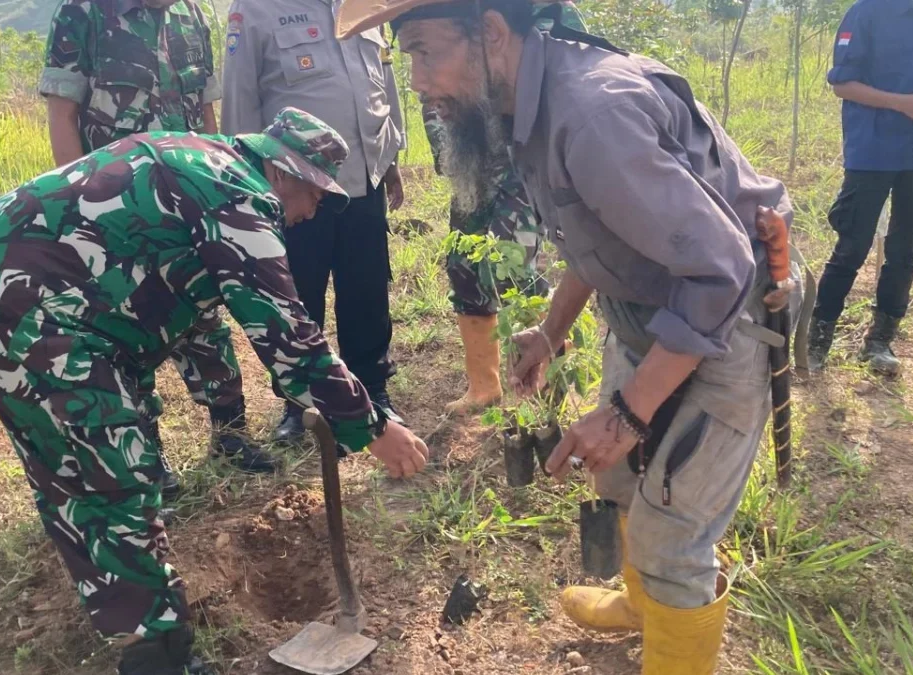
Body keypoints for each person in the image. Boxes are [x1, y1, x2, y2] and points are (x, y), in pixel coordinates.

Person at [336, 1, 798, 672]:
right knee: (621, 477)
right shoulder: (527, 104)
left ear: (491, 34)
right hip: (648, 305)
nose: (420, 82)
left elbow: (720, 270)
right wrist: (553, 333)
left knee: (674, 531)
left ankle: (670, 612)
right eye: (409, 58)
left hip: (724, 316)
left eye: (427, 53)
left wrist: (629, 408)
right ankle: (645, 606)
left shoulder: (591, 115)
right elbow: (593, 233)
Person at [0, 108, 429, 675]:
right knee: (113, 468)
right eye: (314, 193)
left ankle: (122, 603)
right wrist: (371, 427)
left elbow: (176, 302)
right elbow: (288, 336)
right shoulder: (237, 193)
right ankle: (158, 656)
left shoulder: (202, 158)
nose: (311, 211)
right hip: (31, 303)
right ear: (284, 172)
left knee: (78, 458)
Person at [37, 0, 279, 485]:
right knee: (126, 327)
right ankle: (149, 455)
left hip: (187, 202)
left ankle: (231, 435)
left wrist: (217, 184)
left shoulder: (191, 13)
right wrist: (79, 203)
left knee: (204, 314)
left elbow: (206, 114)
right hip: (116, 210)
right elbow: (63, 115)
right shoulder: (82, 14)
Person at [220, 0, 407, 444]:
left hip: (364, 176)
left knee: (366, 285)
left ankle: (372, 390)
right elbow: (241, 98)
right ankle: (300, 404)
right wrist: (246, 182)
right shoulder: (256, 9)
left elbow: (383, 80)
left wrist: (391, 157)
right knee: (298, 291)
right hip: (295, 186)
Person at [425, 0, 585, 416]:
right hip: (475, 161)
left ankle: (550, 378)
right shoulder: (439, 19)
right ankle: (484, 385)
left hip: (523, 158)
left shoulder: (541, 12)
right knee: (463, 263)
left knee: (511, 268)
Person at [806, 0, 913, 376]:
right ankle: (817, 340)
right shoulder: (869, 12)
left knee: (905, 250)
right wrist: (902, 104)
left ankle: (879, 342)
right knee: (852, 246)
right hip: (873, 149)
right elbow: (842, 85)